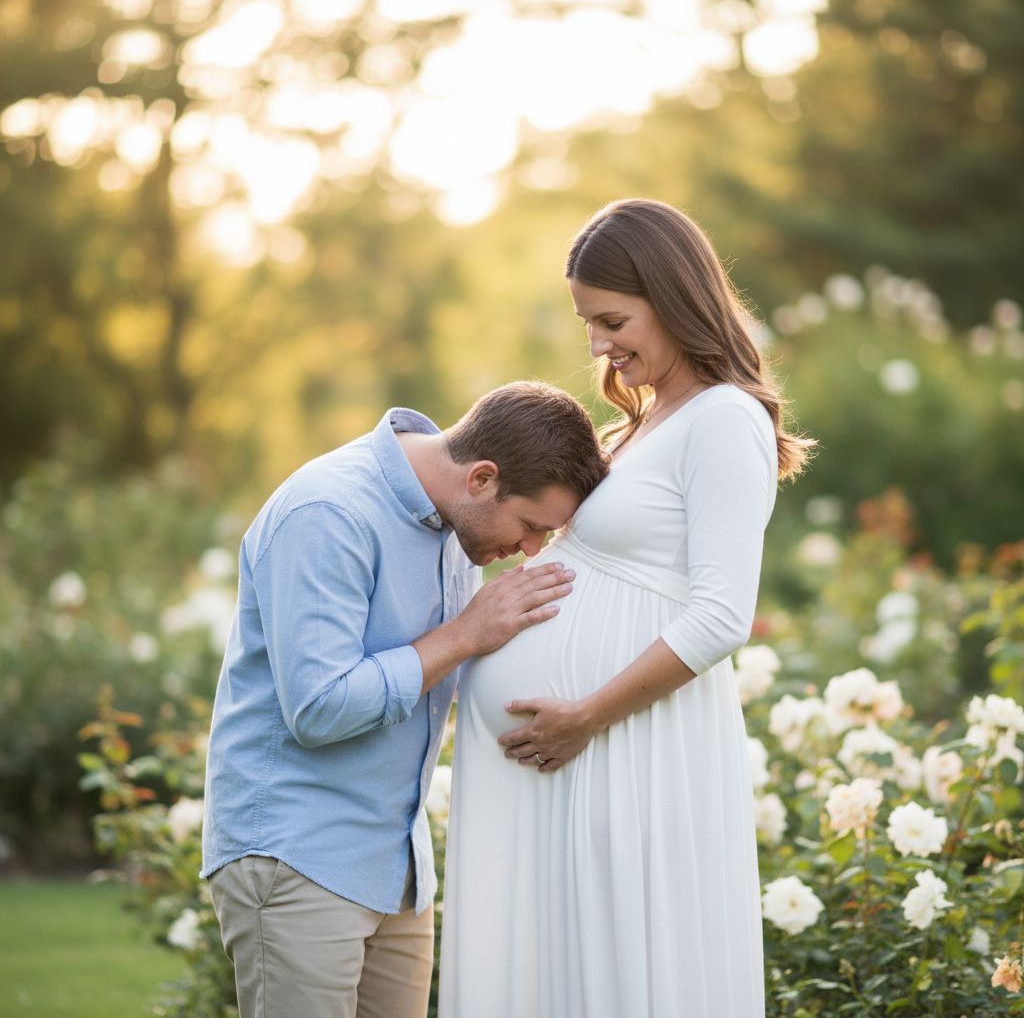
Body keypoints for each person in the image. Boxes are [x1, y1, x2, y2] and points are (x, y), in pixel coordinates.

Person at [439, 200, 815, 1017]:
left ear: (675, 296)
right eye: (588, 323)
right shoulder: (644, 425)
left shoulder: (723, 420)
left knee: (624, 968)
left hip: (629, 745)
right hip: (577, 754)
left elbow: (719, 616)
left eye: (613, 320)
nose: (598, 345)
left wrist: (587, 714)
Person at [201, 380, 609, 1018]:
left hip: (395, 865)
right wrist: (467, 633)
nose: (529, 549)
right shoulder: (327, 512)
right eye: (531, 526)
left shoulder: (457, 525)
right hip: (297, 854)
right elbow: (319, 707)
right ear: (481, 478)